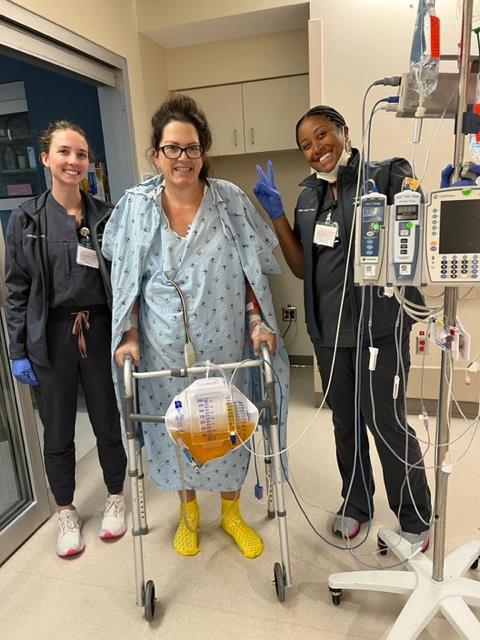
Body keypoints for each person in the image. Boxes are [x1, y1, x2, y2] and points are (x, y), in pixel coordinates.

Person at [102, 95, 289, 559]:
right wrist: (127, 335)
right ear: (156, 154)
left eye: (191, 148)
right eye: (173, 149)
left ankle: (231, 511)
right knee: (175, 432)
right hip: (161, 349)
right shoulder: (136, 207)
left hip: (225, 342)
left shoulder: (229, 200)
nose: (183, 158)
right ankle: (188, 513)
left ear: (203, 152)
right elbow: (125, 274)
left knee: (225, 428)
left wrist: (259, 321)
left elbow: (252, 270)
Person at [253, 105, 431, 548]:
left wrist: (432, 191)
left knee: (386, 421)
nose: (316, 149)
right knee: (345, 424)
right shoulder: (308, 197)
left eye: (322, 135)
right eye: (306, 145)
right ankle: (356, 503)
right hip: (329, 333)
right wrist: (276, 215)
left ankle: (415, 517)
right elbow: (300, 266)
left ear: (344, 132)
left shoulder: (385, 176)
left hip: (380, 329)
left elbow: (417, 215)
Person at [5, 120, 127, 558]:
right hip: (51, 334)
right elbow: (17, 288)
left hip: (99, 330)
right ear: (46, 159)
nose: (73, 161)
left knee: (107, 420)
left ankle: (116, 497)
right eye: (64, 152)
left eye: (80, 154)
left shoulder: (106, 214)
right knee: (57, 429)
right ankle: (66, 512)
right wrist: (18, 350)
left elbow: (126, 278)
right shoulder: (27, 218)